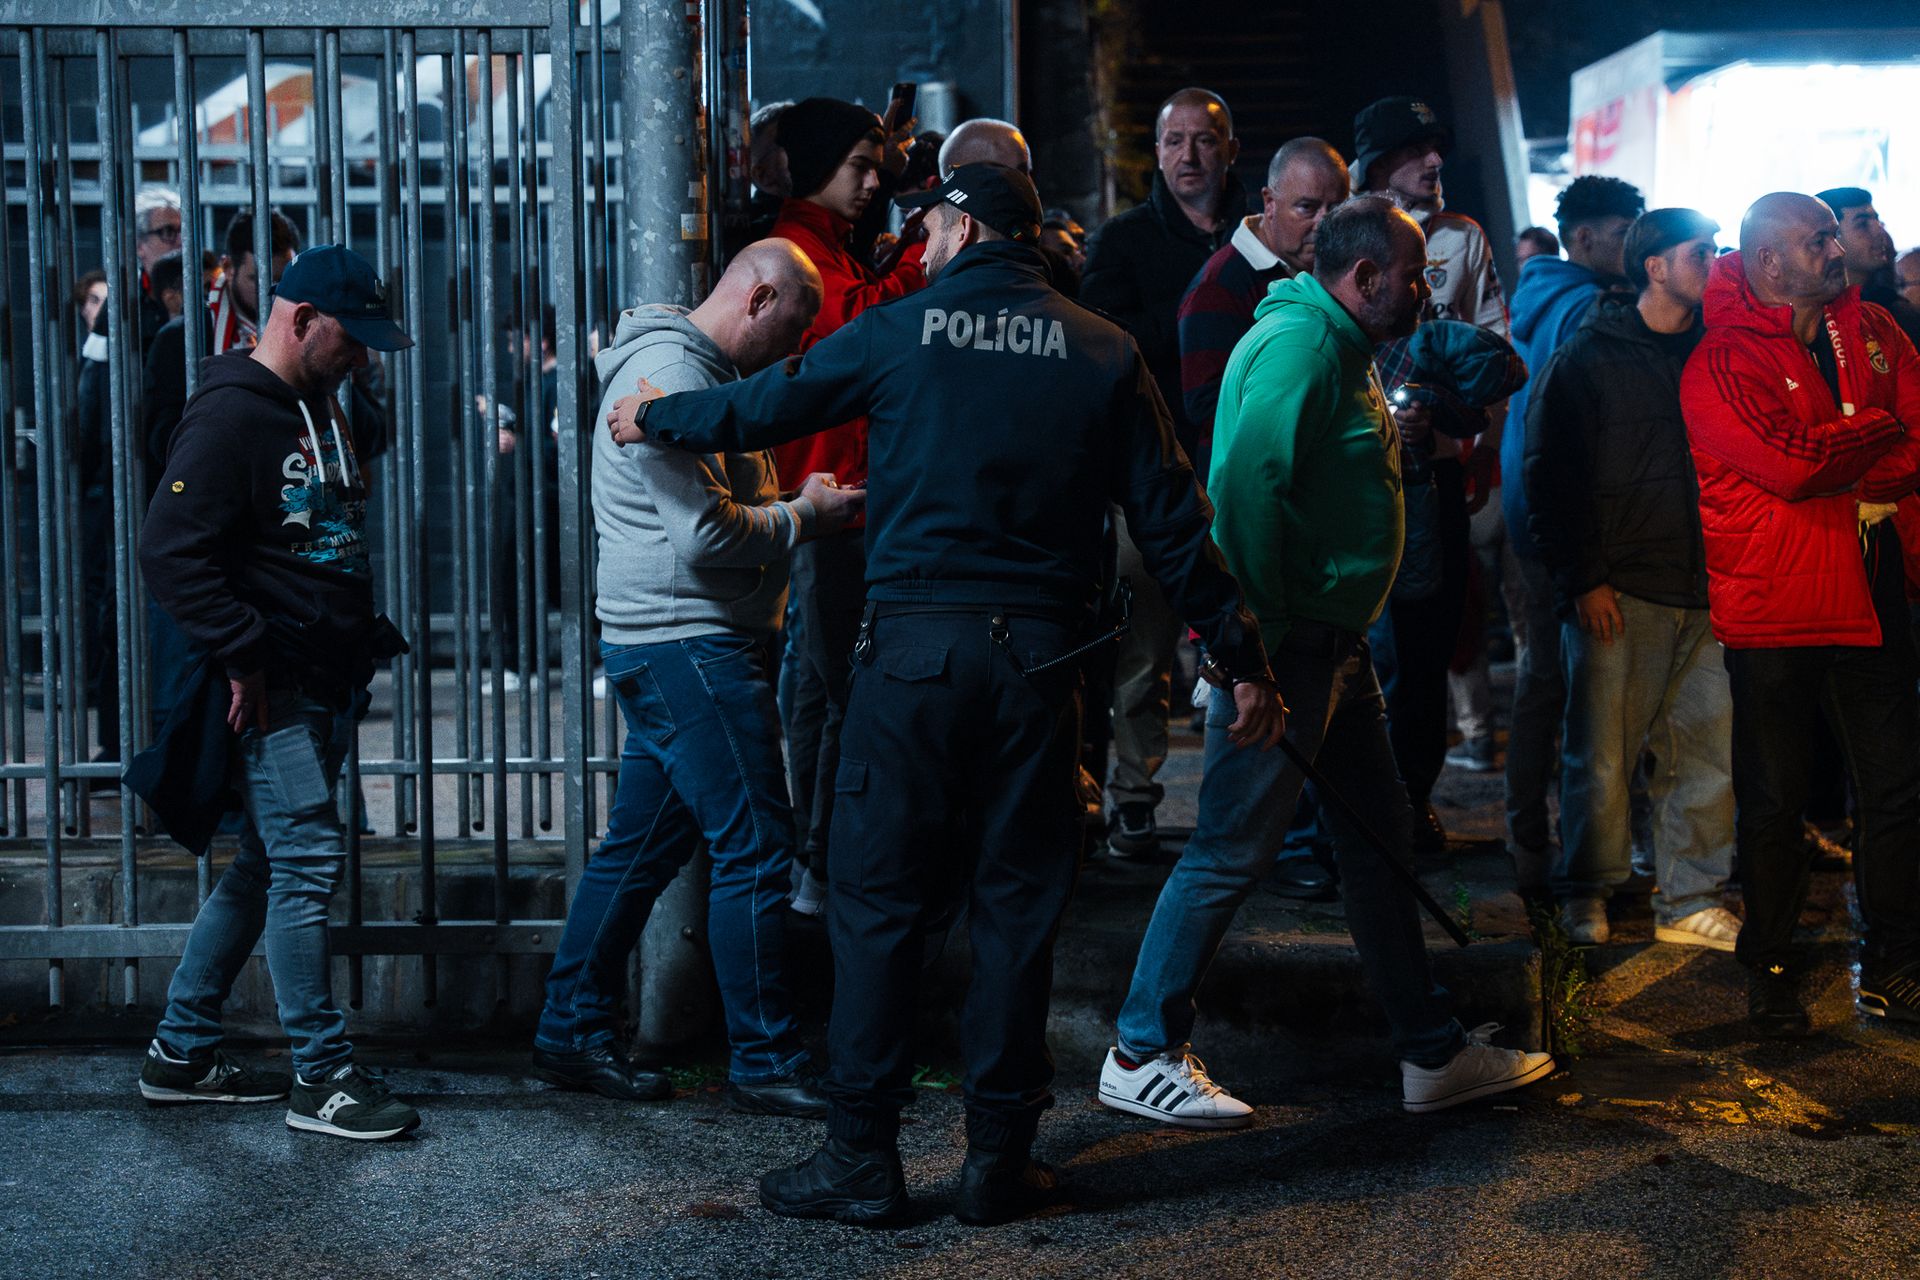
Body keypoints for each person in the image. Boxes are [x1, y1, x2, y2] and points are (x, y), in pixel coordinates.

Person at [609, 163, 1282, 1227]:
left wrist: (660, 417)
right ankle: (998, 1160)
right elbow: (1172, 521)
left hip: (913, 661)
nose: (917, 243)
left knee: (877, 909)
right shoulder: (1104, 348)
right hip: (1043, 674)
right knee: (1016, 911)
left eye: (927, 224)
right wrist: (1240, 658)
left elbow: (764, 406)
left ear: (964, 226)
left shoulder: (899, 330)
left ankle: (862, 1159)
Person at [1099, 195, 1553, 1129]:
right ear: (1365, 279)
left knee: (1378, 848)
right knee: (1229, 850)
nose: (1426, 294)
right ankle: (1139, 1050)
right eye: (1416, 277)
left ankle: (1429, 1054)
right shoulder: (1303, 351)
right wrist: (1244, 662)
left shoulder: (1344, 349)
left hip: (1332, 651)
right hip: (1287, 652)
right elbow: (1243, 497)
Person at [533, 241, 856, 1113]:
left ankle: (570, 1028)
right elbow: (706, 536)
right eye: (791, 330)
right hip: (689, 645)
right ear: (756, 300)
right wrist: (807, 515)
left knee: (638, 851)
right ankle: (767, 1060)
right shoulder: (676, 371)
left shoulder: (688, 366)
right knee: (757, 848)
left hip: (673, 643)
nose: (792, 354)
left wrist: (793, 508)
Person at [136, 244, 419, 1139]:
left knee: (265, 865)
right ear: (300, 320)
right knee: (302, 865)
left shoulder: (314, 404)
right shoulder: (230, 416)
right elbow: (169, 550)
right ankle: (322, 1079)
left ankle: (180, 1055)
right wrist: (244, 655)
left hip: (318, 677)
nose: (363, 355)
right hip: (280, 691)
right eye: (352, 338)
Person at [1680, 192, 1920, 1035]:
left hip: (1873, 582)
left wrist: (1855, 462)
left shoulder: (1878, 332)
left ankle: (1894, 960)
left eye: (1832, 235)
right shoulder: (1717, 360)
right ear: (1769, 262)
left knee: (1894, 786)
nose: (1834, 248)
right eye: (1816, 239)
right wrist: (1873, 442)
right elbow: (1788, 467)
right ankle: (1773, 971)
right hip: (1778, 598)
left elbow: (1915, 439)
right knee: (1775, 801)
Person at [1524, 208, 1738, 949]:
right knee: (1603, 754)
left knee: (1706, 752)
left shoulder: (1717, 350)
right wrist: (1584, 579)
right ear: (1655, 267)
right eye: (1700, 252)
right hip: (1622, 587)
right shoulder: (1591, 354)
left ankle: (1691, 898)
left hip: (1709, 584)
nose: (1715, 263)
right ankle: (1587, 891)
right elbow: (1551, 474)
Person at [765, 97, 926, 915]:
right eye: (859, 167)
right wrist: (929, 240)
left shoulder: (827, 242)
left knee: (819, 687)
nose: (871, 183)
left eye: (878, 169)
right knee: (838, 694)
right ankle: (821, 871)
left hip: (833, 498)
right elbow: (860, 321)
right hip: (824, 503)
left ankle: (813, 864)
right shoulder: (795, 249)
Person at [1082, 87, 1249, 859]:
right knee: (1142, 650)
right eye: (1174, 140)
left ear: (1229, 149)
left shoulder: (1259, 239)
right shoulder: (1124, 243)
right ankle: (1135, 799)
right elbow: (1108, 343)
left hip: (1245, 472)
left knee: (1246, 643)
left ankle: (1241, 807)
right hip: (1152, 474)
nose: (1189, 155)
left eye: (1204, 140)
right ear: (1155, 152)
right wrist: (1200, 319)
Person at [1351, 98, 1516, 851]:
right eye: (1415, 151)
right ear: (1378, 164)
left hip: (1437, 478)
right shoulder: (1345, 231)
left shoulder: (1464, 238)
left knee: (1427, 648)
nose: (1435, 163)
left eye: (1436, 148)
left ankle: (1411, 799)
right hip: (1352, 482)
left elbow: (1492, 360)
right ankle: (1356, 804)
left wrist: (1467, 437)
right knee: (1364, 650)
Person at [1498, 173, 1643, 879]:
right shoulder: (1587, 308)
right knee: (1572, 684)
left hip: (1532, 513)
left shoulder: (1537, 296)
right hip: (1570, 517)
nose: (1634, 246)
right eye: (1623, 233)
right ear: (1583, 237)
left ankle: (1530, 836)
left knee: (1548, 680)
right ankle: (1572, 847)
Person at [1177, 137, 1349, 469]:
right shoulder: (1219, 286)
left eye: (1337, 208)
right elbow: (1208, 405)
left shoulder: (1329, 270)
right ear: (1269, 203)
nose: (1325, 223)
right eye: (1307, 207)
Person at [209, 208, 301, 355]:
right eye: (261, 281)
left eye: (284, 280)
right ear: (228, 268)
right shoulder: (189, 333)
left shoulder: (307, 326)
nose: (275, 293)